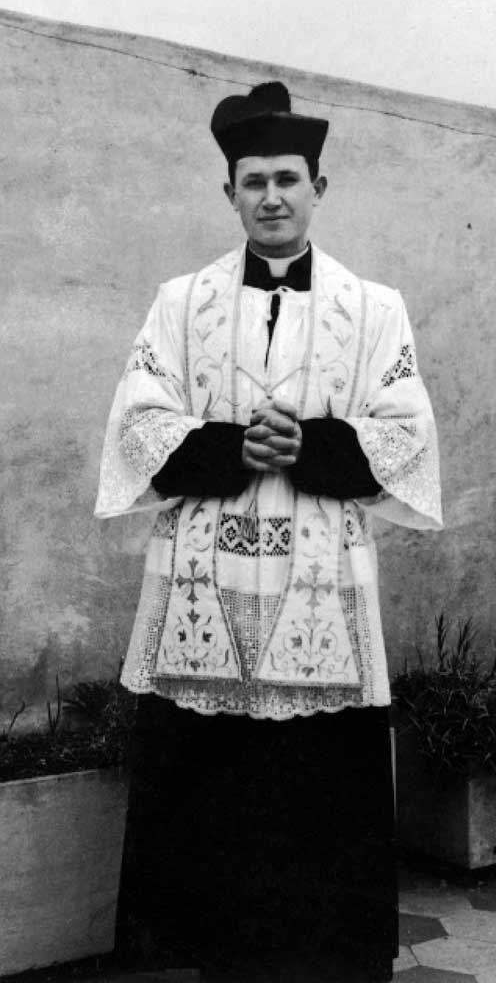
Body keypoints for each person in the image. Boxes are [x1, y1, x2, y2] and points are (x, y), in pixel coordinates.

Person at [95, 81, 442, 982]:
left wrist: (315, 447)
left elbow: (406, 435)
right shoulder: (180, 303)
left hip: (321, 591)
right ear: (230, 193)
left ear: (318, 188)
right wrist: (227, 445)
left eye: (288, 180)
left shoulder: (375, 308)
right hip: (205, 584)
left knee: (316, 789)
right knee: (212, 796)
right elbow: (137, 423)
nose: (272, 198)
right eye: (254, 182)